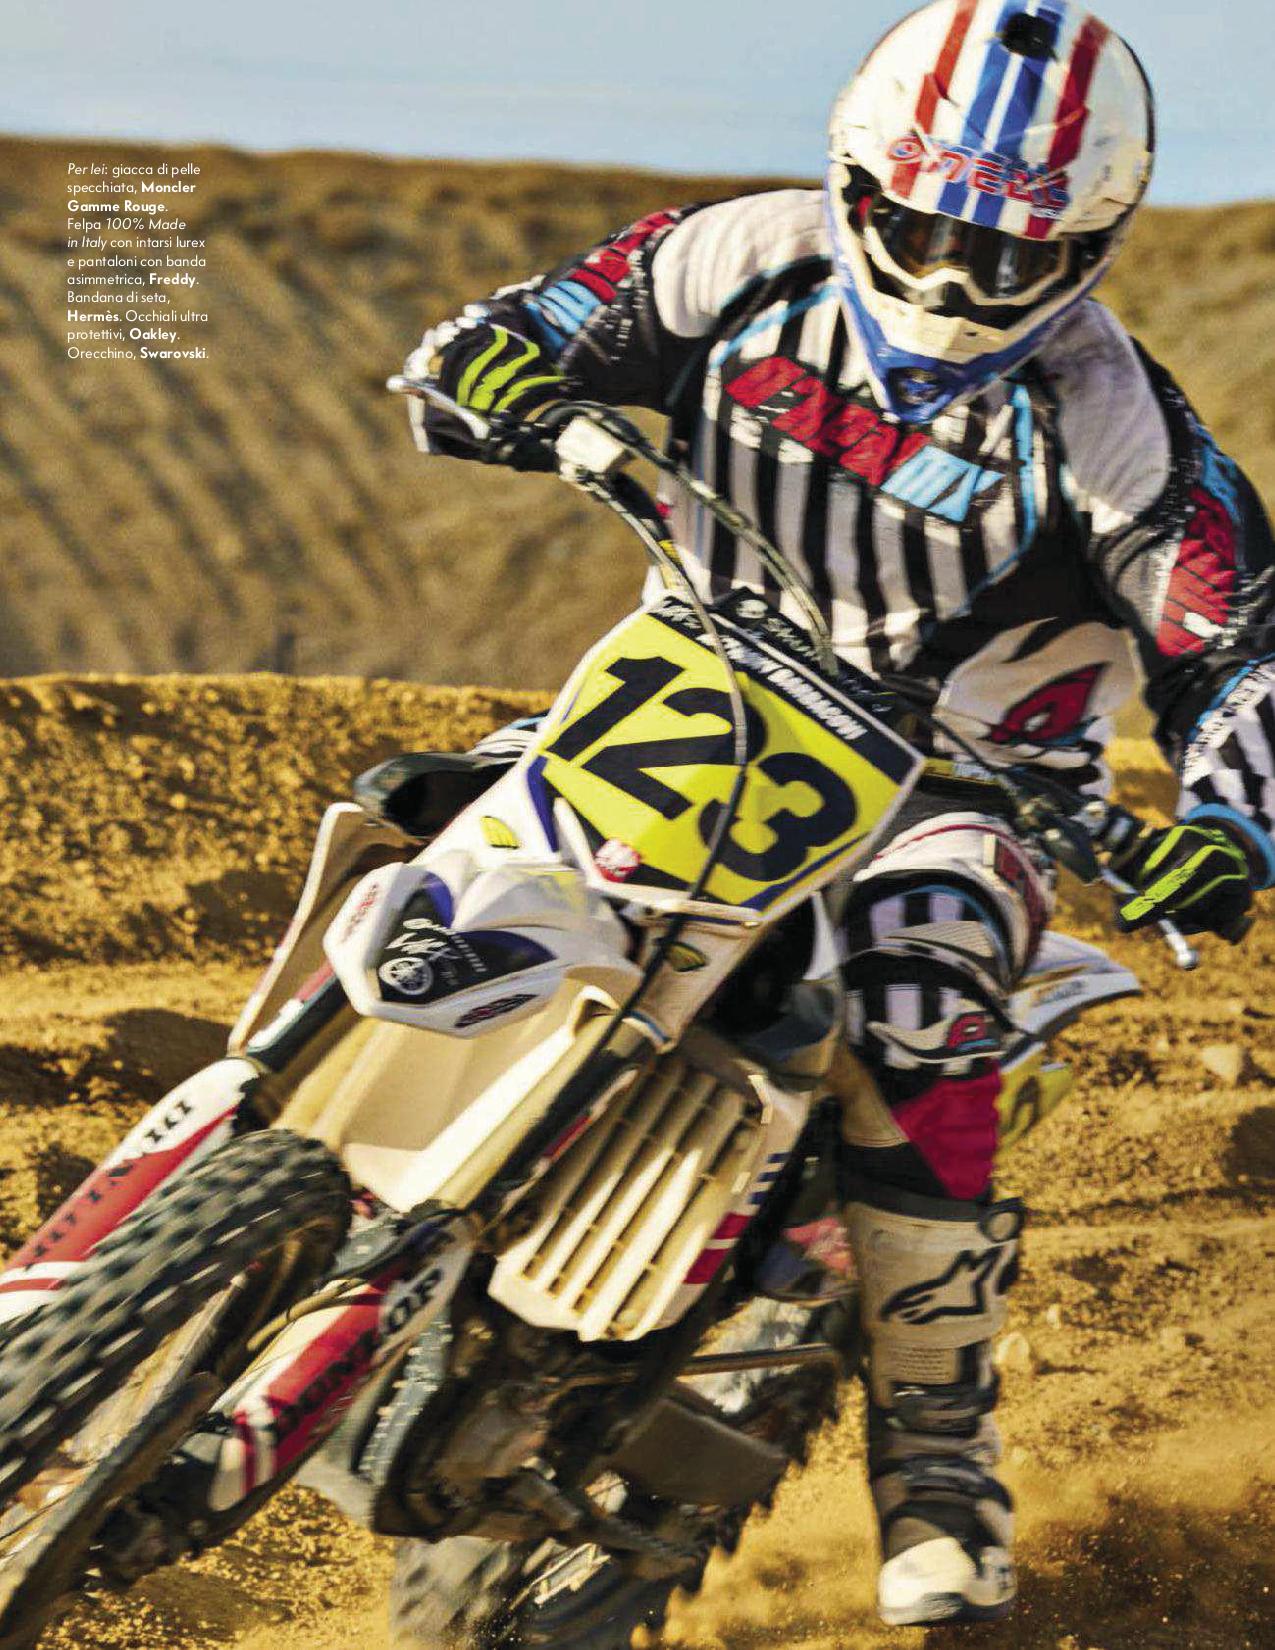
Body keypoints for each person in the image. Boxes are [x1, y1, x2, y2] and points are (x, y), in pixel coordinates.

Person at [402, 0, 1274, 1624]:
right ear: (856, 182)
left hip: (961, 794)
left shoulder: (1116, 424)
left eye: (1006, 257)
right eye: (924, 230)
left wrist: (1228, 826)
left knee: (916, 991)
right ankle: (220, 1198)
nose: (952, 282)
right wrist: (490, 376)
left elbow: (1238, 653)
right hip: (697, 697)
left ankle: (939, 1452)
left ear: (1088, 247)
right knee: (425, 826)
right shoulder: (735, 258)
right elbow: (513, 334)